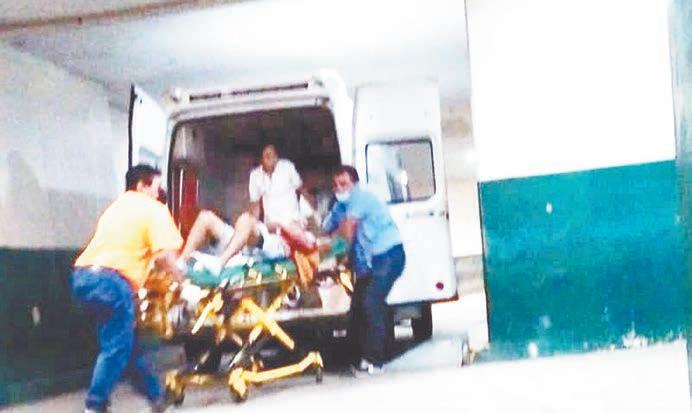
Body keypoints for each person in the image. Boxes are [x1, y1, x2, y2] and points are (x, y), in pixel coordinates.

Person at [71, 164, 185, 413]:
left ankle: (157, 397)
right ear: (142, 186)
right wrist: (183, 285)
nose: (160, 193)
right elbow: (165, 256)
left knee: (126, 345)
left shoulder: (116, 208)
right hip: (112, 282)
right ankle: (95, 406)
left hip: (83, 278)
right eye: (157, 187)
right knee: (116, 348)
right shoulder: (153, 209)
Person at [322, 165, 406, 375]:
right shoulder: (343, 205)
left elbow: (347, 231)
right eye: (335, 185)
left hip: (389, 255)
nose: (339, 188)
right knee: (359, 306)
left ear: (355, 183)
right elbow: (327, 227)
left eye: (344, 183)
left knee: (372, 302)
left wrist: (333, 256)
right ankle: (359, 357)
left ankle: (376, 360)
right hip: (374, 261)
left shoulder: (361, 198)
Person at [248, 144, 315, 230]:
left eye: (274, 156)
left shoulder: (287, 166)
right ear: (261, 159)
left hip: (293, 219)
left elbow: (301, 189)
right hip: (272, 224)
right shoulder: (255, 175)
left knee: (294, 229)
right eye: (268, 156)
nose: (272, 159)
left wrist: (313, 209)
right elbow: (255, 204)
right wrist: (255, 225)